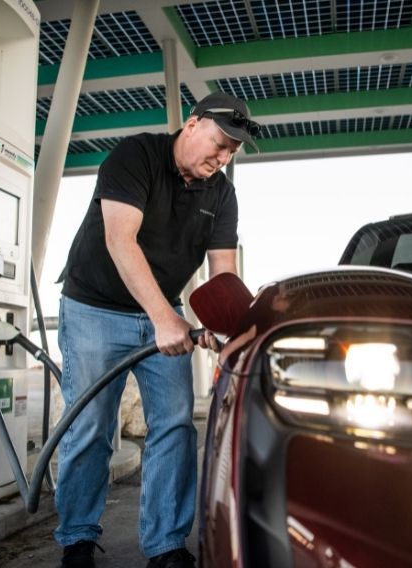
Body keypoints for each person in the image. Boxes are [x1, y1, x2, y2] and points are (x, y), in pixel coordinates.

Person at [53, 92, 260, 568]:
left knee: (175, 425)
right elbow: (120, 240)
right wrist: (164, 319)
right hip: (94, 309)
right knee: (91, 426)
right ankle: (77, 538)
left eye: (232, 152)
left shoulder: (221, 194)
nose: (223, 157)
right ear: (193, 124)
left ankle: (166, 545)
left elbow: (222, 275)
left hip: (164, 312)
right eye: (220, 143)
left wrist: (232, 331)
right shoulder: (136, 156)